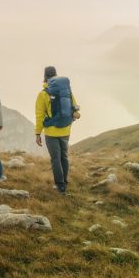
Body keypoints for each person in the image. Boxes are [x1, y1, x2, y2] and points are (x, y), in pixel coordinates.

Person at [35, 66, 80, 194]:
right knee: (64, 156)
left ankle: (60, 186)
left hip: (51, 132)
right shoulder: (66, 90)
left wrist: (38, 133)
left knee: (55, 158)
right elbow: (74, 107)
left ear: (45, 77)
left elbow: (39, 115)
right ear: (56, 75)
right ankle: (64, 182)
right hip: (66, 129)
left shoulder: (43, 94)